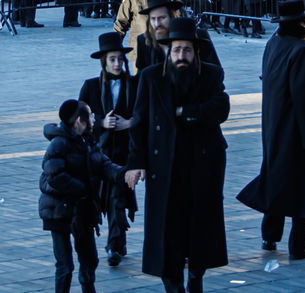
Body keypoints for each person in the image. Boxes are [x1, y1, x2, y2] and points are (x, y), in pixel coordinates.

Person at [125, 16, 231, 293]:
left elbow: (221, 108)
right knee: (166, 234)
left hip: (201, 166)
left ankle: (196, 276)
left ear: (195, 52)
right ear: (168, 52)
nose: (181, 56)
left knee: (199, 231)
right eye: (176, 50)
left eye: (186, 50)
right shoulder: (150, 78)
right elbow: (139, 123)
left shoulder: (210, 75)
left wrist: (188, 113)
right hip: (165, 168)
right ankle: (172, 285)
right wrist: (135, 164)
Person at [237, 0, 305, 261]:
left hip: (274, 127)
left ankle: (269, 235)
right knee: (303, 187)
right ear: (302, 24)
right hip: (296, 132)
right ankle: (297, 246)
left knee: (277, 178)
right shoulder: (300, 51)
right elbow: (303, 97)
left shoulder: (273, 44)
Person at [39, 98, 127, 293]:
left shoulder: (87, 140)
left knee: (90, 259)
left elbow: (103, 164)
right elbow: (54, 176)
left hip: (83, 210)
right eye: (90, 115)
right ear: (79, 121)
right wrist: (84, 188)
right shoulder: (59, 143)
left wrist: (124, 173)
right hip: (59, 211)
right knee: (65, 265)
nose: (95, 119)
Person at [78, 32, 138, 269]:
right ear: (104, 62)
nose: (116, 64)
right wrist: (102, 122)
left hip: (125, 152)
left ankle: (115, 244)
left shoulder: (133, 85)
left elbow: (142, 113)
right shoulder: (91, 86)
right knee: (105, 199)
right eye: (112, 60)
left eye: (120, 60)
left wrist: (128, 123)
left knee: (117, 197)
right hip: (100, 154)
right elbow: (80, 119)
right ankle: (117, 242)